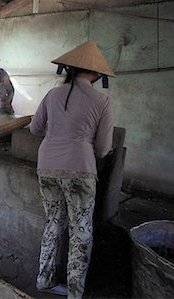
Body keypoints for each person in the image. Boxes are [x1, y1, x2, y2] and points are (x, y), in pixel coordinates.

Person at [30, 41, 115, 298]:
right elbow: (102, 148)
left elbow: (34, 128)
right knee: (80, 229)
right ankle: (75, 292)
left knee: (53, 224)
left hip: (47, 167)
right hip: (80, 169)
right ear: (97, 75)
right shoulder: (103, 100)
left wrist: (57, 132)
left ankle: (44, 280)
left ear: (70, 69)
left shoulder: (52, 94)